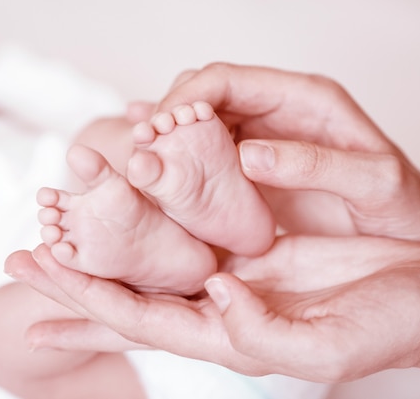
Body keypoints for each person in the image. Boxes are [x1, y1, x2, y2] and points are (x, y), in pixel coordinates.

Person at [4, 63, 420, 383]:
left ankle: (149, 260)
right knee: (105, 139)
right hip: (283, 336)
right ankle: (159, 208)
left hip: (274, 326)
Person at [36, 101, 275, 295]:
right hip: (74, 229)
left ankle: (152, 156)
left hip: (62, 223)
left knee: (91, 141)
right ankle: (151, 156)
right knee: (91, 142)